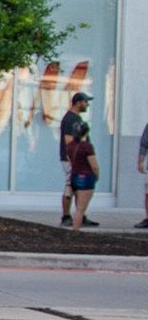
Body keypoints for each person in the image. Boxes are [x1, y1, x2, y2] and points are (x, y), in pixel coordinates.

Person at [59, 92, 96, 226]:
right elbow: (69, 141)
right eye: (86, 102)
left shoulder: (75, 118)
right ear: (78, 102)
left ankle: (79, 215)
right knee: (70, 185)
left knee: (76, 187)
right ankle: (66, 216)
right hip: (71, 160)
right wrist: (74, 159)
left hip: (75, 159)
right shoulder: (70, 119)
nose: (87, 104)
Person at [64, 121, 99, 232]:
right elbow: (94, 166)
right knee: (80, 209)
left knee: (77, 205)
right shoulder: (87, 147)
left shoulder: (70, 146)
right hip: (85, 178)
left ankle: (76, 229)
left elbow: (70, 161)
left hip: (74, 177)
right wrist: (96, 176)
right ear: (86, 132)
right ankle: (75, 231)